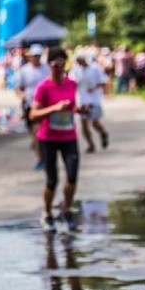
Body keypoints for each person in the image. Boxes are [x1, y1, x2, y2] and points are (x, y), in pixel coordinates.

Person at [29, 47, 86, 233]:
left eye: (62, 65)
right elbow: (33, 114)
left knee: (72, 176)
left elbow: (72, 107)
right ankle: (47, 213)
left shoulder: (71, 84)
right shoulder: (43, 87)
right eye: (55, 65)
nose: (58, 69)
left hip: (69, 135)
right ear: (49, 66)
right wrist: (53, 109)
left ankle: (67, 210)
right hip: (49, 138)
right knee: (52, 180)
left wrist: (80, 110)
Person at [15, 44, 50, 169]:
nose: (36, 58)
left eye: (38, 56)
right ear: (30, 57)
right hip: (30, 105)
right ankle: (40, 158)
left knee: (43, 132)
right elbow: (18, 89)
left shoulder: (47, 68)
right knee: (35, 133)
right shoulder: (24, 70)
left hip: (45, 105)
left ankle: (45, 157)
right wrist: (22, 95)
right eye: (34, 56)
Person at [70, 52, 109, 153]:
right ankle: (90, 144)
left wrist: (94, 87)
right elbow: (71, 82)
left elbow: (104, 81)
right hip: (82, 100)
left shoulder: (95, 68)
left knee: (95, 123)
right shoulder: (76, 70)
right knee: (83, 124)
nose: (80, 63)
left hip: (94, 100)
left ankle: (103, 132)